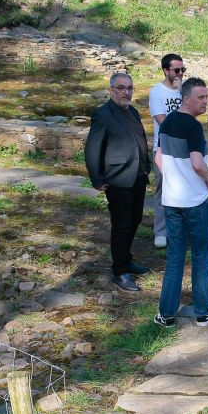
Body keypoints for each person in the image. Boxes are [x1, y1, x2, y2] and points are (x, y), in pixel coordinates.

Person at [153, 77, 208, 327]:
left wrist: (172, 179)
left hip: (171, 201)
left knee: (175, 257)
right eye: (201, 98)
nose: (205, 102)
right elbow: (196, 163)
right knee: (201, 256)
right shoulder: (193, 127)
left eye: (207, 97)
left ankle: (166, 314)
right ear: (186, 98)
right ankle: (203, 312)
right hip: (194, 202)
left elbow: (159, 158)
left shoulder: (168, 121)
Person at [85, 72, 151, 292]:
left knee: (134, 221)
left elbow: (139, 139)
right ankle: (119, 272)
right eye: (121, 88)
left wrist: (147, 166)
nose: (126, 92)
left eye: (130, 88)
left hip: (138, 176)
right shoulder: (103, 114)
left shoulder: (132, 111)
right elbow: (93, 148)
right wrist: (96, 178)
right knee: (121, 225)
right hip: (118, 179)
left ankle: (127, 259)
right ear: (112, 90)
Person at [148, 53, 186, 248]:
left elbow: (193, 116)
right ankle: (160, 232)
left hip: (185, 149)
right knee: (163, 192)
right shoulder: (157, 92)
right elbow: (164, 123)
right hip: (163, 150)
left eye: (183, 70)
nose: (180, 73)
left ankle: (178, 229)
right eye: (176, 70)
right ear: (165, 70)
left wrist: (182, 94)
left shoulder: (184, 91)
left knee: (183, 190)